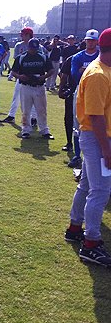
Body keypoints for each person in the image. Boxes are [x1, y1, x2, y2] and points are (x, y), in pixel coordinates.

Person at [65, 27, 111, 266]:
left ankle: (75, 228)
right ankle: (91, 243)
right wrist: (106, 148)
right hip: (97, 137)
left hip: (96, 136)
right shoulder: (97, 74)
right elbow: (95, 116)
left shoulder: (104, 69)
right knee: (100, 191)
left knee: (86, 185)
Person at [10, 38, 55, 139]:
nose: (33, 51)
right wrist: (21, 76)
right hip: (25, 86)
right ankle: (25, 130)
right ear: (28, 47)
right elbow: (13, 72)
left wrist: (43, 77)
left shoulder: (43, 57)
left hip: (39, 86)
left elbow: (51, 70)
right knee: (26, 109)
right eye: (31, 49)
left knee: (42, 109)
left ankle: (44, 130)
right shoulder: (21, 57)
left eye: (35, 49)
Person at [69, 29, 100, 168]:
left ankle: (97, 154)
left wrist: (84, 71)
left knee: (99, 121)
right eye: (88, 40)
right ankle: (77, 155)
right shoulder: (78, 57)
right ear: (85, 40)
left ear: (97, 41)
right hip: (81, 92)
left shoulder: (101, 55)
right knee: (78, 123)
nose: (90, 42)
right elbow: (75, 75)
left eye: (93, 40)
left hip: (99, 92)